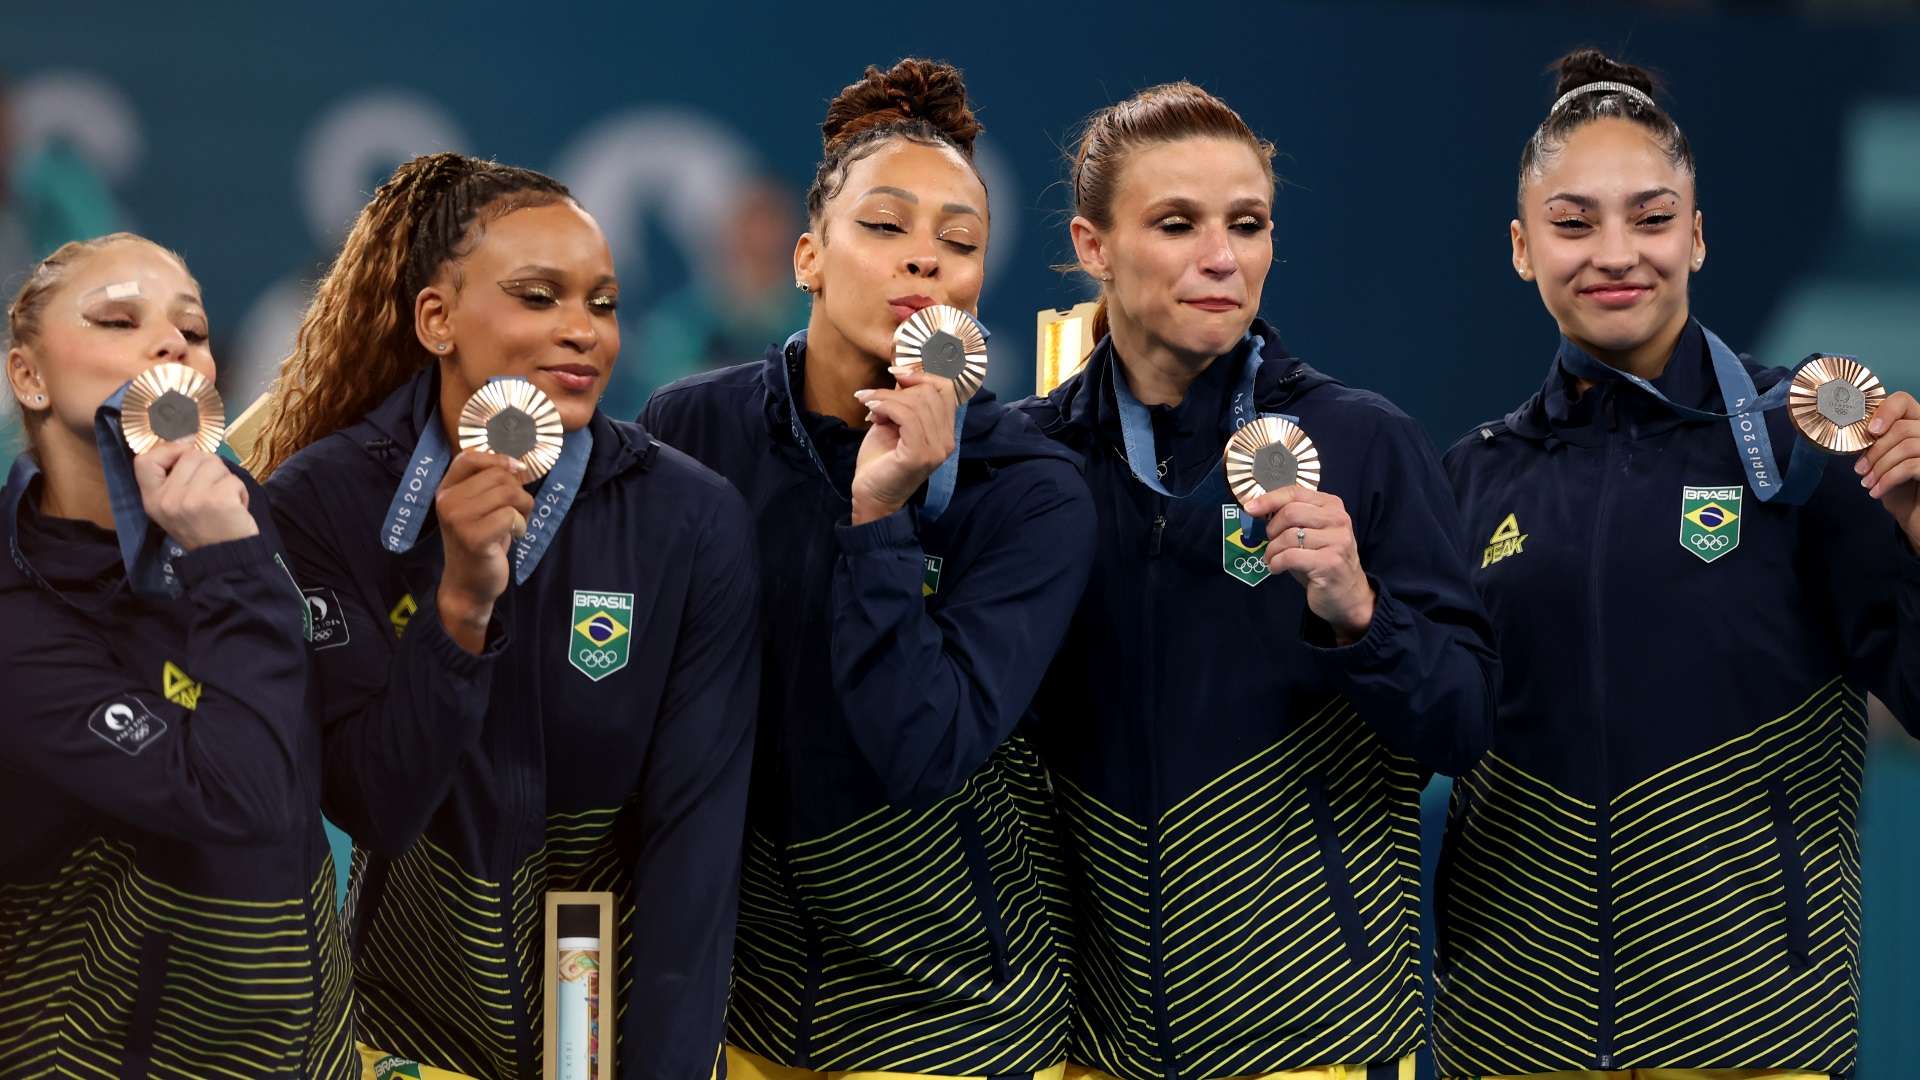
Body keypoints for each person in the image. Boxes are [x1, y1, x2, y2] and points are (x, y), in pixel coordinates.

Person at [1435, 49, 1920, 1080]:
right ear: (1523, 249)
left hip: (1753, 1038)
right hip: (1514, 1039)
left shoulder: (1810, 442)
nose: (1616, 253)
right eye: (1573, 224)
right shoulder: (1470, 480)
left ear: (1696, 236)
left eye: (1652, 219)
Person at [1014, 82, 1499, 1080]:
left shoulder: (1363, 441)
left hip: (1316, 1042)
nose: (1222, 258)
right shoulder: (1027, 461)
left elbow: (1461, 722)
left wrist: (1362, 615)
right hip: (1091, 1048)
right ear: (1092, 244)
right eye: (1177, 223)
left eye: (1248, 223)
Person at [247, 153, 761, 1080]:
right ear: (436, 320)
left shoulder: (690, 517)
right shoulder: (325, 503)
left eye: (601, 305)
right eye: (537, 297)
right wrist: (459, 609)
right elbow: (375, 803)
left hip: (618, 1043)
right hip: (404, 1037)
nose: (582, 333)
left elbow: (696, 848)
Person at [642, 58, 1091, 1080]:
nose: (925, 262)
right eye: (885, 227)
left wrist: (880, 513)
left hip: (955, 1015)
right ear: (808, 256)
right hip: (745, 1000)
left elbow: (923, 748)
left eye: (960, 243)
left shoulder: (1030, 488)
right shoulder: (691, 426)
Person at [0, 232, 355, 1077]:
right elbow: (239, 801)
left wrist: (461, 617)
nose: (170, 343)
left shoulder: (243, 517)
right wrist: (232, 560)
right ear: (29, 377)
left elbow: (374, 796)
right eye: (119, 319)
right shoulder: (16, 610)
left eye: (191, 331)